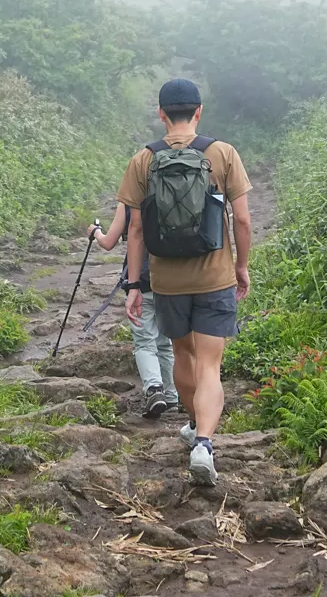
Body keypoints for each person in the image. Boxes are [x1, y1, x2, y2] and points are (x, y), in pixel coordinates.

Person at [121, 78, 253, 487]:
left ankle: (195, 426)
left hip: (167, 281)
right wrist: (241, 267)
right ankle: (204, 444)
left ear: (161, 114)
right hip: (214, 277)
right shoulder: (222, 153)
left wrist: (132, 286)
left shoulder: (143, 160)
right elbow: (243, 220)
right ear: (198, 112)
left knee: (182, 355)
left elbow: (137, 231)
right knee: (211, 363)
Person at [89, 206, 179, 416]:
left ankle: (154, 389)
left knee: (145, 341)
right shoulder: (179, 188)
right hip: (174, 278)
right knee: (166, 341)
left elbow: (109, 241)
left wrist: (95, 232)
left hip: (142, 279)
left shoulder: (131, 197)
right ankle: (173, 395)